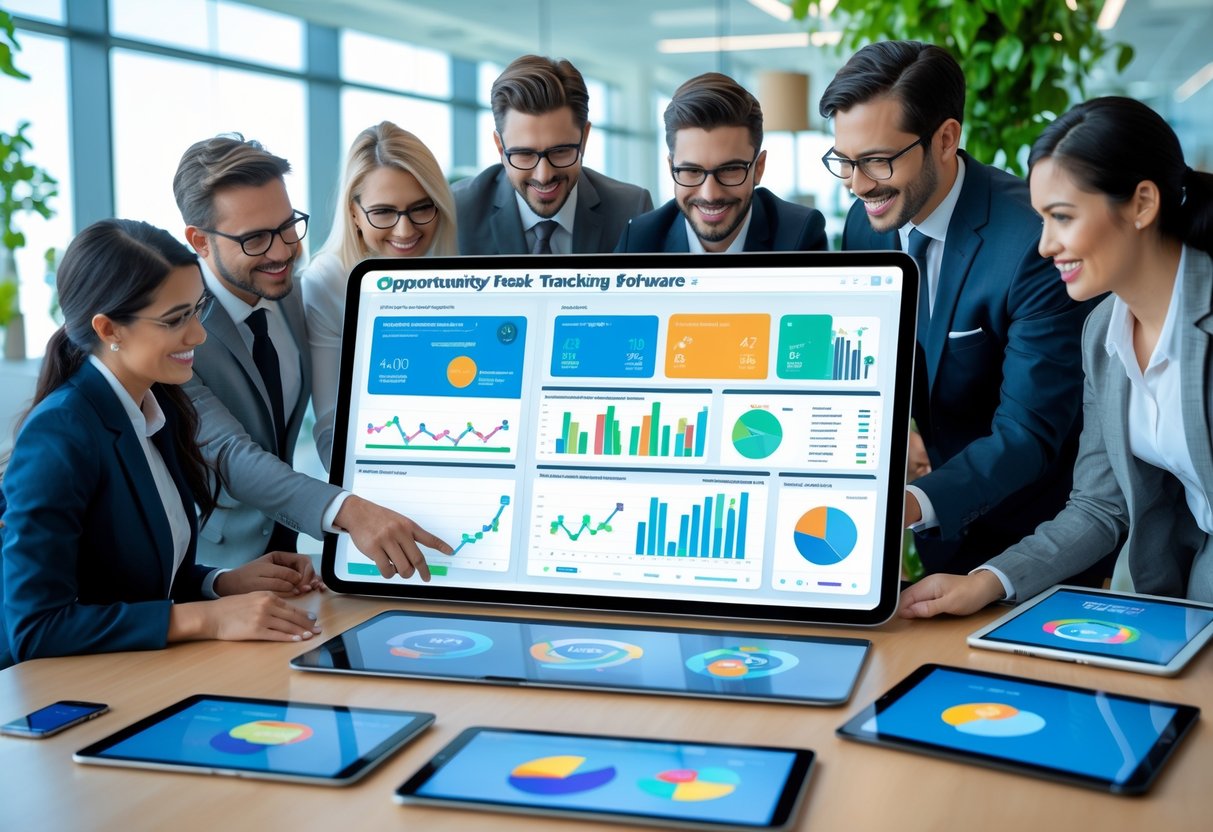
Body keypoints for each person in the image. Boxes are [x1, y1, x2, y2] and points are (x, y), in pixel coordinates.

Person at [901, 97, 1213, 616]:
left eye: (1062, 218)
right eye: (1041, 218)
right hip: (1167, 596)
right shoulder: (1102, 333)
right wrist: (987, 581)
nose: (1045, 245)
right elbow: (1098, 504)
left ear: (1141, 204)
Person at [819, 41, 1095, 576]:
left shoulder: (1031, 244)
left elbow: (1028, 432)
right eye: (845, 162)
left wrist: (910, 503)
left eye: (876, 161)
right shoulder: (865, 222)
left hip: (1033, 538)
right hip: (935, 534)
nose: (857, 185)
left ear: (946, 138)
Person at [0, 219, 324, 668]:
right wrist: (207, 619)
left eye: (197, 309)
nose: (198, 335)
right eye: (176, 319)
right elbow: (36, 629)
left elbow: (133, 580)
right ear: (110, 329)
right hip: (64, 695)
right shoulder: (60, 434)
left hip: (139, 672)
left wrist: (222, 583)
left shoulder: (158, 406)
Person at [173, 134, 451, 576]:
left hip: (294, 561)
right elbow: (229, 452)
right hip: (212, 570)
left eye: (287, 226)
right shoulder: (178, 329)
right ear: (200, 241)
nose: (283, 251)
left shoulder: (290, 293)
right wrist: (352, 511)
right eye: (256, 239)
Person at [303, 121, 458, 468]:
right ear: (354, 213)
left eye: (421, 208)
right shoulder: (328, 281)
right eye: (384, 212)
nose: (405, 231)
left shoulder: (451, 269)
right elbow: (331, 427)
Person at [453, 54, 653, 254]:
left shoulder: (631, 211)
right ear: (500, 147)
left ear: (584, 139)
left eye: (560, 151)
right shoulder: (457, 211)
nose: (544, 175)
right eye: (524, 154)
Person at [616, 72, 827, 253]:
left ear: (759, 167)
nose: (710, 194)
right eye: (692, 170)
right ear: (671, 168)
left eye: (729, 170)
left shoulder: (799, 236)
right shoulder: (639, 239)